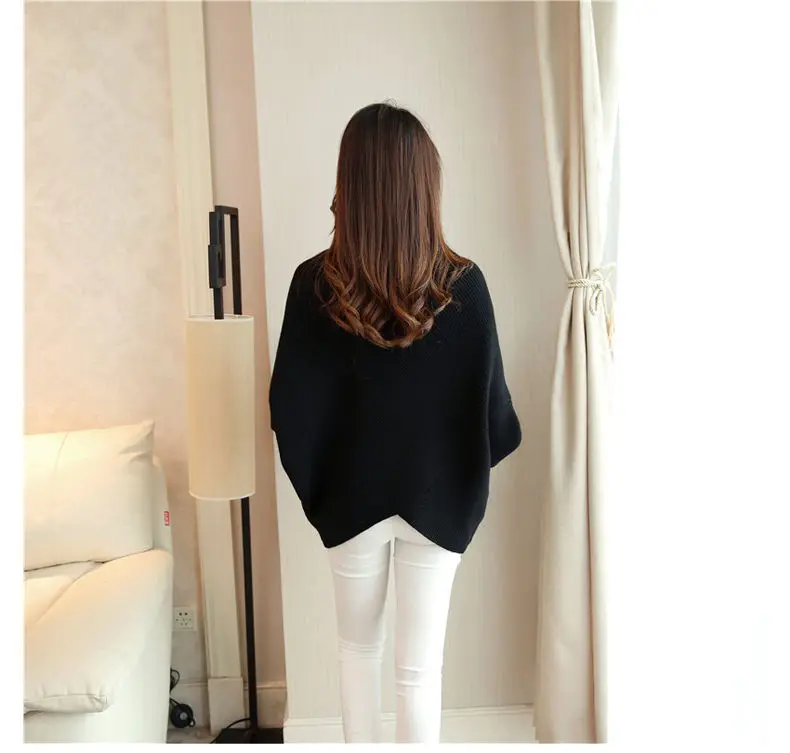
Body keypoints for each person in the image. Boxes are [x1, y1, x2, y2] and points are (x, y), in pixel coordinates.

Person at [269, 102, 521, 744]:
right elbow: (493, 418)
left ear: (348, 184)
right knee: (419, 672)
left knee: (357, 654)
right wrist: (448, 475)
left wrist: (326, 490)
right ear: (424, 187)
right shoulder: (465, 288)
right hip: (439, 503)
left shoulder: (312, 286)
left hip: (349, 503)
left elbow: (288, 409)